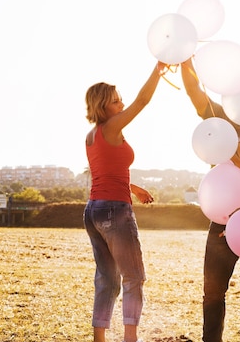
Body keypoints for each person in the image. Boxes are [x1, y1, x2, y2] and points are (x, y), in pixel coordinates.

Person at [181, 57, 240, 342]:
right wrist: (185, 59)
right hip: (221, 219)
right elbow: (195, 93)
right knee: (212, 291)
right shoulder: (222, 120)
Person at [83, 62, 166, 342]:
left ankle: (99, 338)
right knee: (134, 277)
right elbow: (142, 101)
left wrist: (134, 188)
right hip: (115, 211)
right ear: (104, 106)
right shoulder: (112, 126)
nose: (122, 104)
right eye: (117, 101)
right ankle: (131, 338)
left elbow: (105, 173)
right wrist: (158, 70)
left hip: (93, 209)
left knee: (107, 279)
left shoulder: (92, 135)